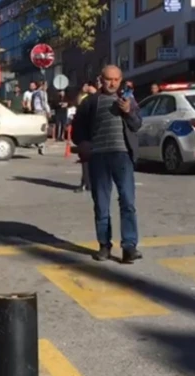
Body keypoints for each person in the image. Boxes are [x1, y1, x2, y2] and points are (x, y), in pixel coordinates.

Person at [71, 65, 143, 264]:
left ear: (121, 80)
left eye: (116, 80)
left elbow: (137, 125)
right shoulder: (90, 102)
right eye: (108, 79)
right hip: (99, 158)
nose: (112, 83)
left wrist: (128, 112)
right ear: (100, 79)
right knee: (102, 204)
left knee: (127, 202)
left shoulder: (128, 101)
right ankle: (104, 245)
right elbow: (77, 130)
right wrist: (83, 143)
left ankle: (129, 247)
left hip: (122, 157)